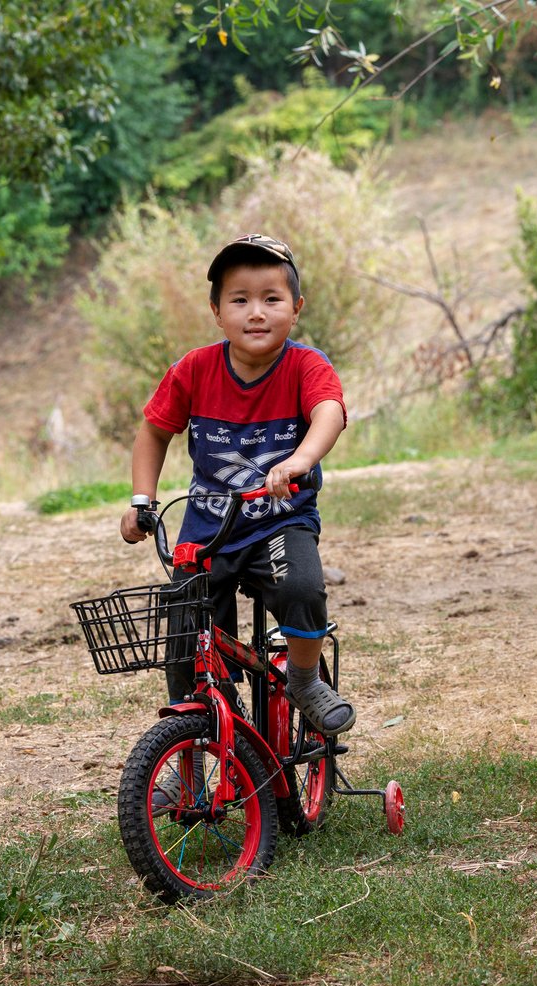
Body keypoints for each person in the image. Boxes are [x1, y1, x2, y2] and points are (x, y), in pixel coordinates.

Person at [119, 233, 355, 736]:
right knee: (185, 632)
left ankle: (305, 678)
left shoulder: (305, 366)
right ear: (216, 311)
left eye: (272, 299)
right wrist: (142, 501)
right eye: (240, 300)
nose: (256, 312)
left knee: (302, 587)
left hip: (280, 521)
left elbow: (328, 413)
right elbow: (153, 431)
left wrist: (300, 460)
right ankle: (193, 742)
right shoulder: (194, 369)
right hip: (208, 530)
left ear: (295, 309)